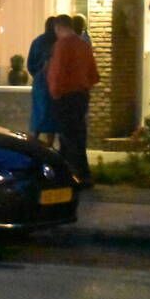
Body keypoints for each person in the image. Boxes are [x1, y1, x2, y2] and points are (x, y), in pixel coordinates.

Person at [46, 14, 100, 187]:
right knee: (77, 134)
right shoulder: (83, 45)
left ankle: (74, 175)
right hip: (81, 95)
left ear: (58, 28)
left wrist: (55, 93)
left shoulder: (62, 46)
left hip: (66, 96)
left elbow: (57, 72)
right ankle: (76, 173)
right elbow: (93, 74)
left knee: (68, 136)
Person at [26, 16, 59, 147]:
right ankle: (49, 145)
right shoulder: (57, 42)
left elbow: (30, 64)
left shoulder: (37, 42)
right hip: (53, 82)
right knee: (51, 114)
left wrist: (38, 74)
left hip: (40, 83)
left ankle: (34, 143)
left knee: (39, 112)